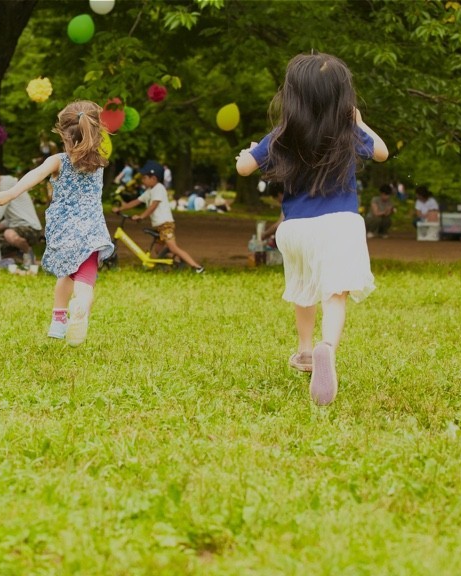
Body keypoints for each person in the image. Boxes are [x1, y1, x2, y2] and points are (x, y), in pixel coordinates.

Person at [235, 52, 388, 405]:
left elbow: (244, 168)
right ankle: (326, 347)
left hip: (295, 230)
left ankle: (304, 350)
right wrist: (360, 123)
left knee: (303, 287)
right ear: (342, 97)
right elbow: (381, 152)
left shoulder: (282, 133)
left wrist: (246, 152)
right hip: (339, 225)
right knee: (335, 293)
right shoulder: (348, 131)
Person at [0, 100, 115, 347]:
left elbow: (34, 176)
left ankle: (59, 321)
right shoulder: (100, 163)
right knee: (85, 282)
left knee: (65, 276)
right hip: (92, 232)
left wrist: (10, 194)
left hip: (66, 232)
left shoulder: (59, 160)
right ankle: (80, 308)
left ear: (65, 136)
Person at [113, 160, 204, 272]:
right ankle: (173, 265)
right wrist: (120, 208)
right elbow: (136, 201)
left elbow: (153, 206)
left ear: (154, 178)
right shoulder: (150, 191)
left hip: (166, 225)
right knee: (158, 250)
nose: (142, 180)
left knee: (173, 248)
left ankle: (197, 267)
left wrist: (142, 216)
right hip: (160, 226)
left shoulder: (159, 188)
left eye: (144, 178)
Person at [0, 158, 44, 265]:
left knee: (9, 234)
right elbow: (8, 221)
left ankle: (28, 252)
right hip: (17, 228)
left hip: (31, 229)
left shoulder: (6, 183)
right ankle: (24, 258)